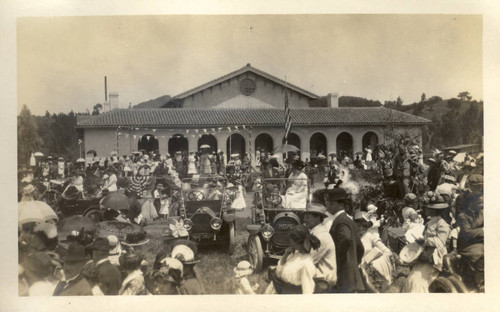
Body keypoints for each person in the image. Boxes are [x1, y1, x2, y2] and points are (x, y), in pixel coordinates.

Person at [324, 187, 365, 293]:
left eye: (330, 203)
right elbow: (360, 247)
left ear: (339, 204)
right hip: (353, 276)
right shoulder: (350, 220)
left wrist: (338, 260)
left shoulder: (340, 221)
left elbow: (346, 239)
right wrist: (354, 262)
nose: (328, 206)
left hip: (344, 275)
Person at [404, 201, 451, 292]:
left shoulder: (443, 224)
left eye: (428, 208)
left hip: (434, 256)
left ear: (434, 210)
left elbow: (440, 242)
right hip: (425, 253)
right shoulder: (429, 222)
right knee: (411, 278)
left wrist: (425, 241)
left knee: (418, 283)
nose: (425, 210)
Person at [265, 225, 320, 294]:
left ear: (298, 242)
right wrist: (285, 255)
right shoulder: (294, 255)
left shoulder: (305, 263)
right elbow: (279, 273)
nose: (290, 243)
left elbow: (307, 289)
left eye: (292, 241)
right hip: (279, 291)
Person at [456, 174, 484, 289]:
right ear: (470, 186)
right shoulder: (461, 198)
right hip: (466, 231)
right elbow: (460, 218)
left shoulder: (481, 200)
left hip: (476, 233)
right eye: (476, 187)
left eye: (480, 187)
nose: (479, 189)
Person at [354, 211, 393, 292]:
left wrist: (374, 261)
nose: (358, 228)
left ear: (365, 227)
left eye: (360, 226)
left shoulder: (370, 237)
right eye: (356, 226)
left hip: (369, 272)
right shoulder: (353, 237)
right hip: (355, 271)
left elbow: (387, 252)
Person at [303, 203, 337, 291]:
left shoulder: (321, 236)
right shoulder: (316, 232)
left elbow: (310, 260)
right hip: (317, 275)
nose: (304, 220)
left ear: (317, 218)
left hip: (324, 279)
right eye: (305, 217)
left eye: (308, 217)